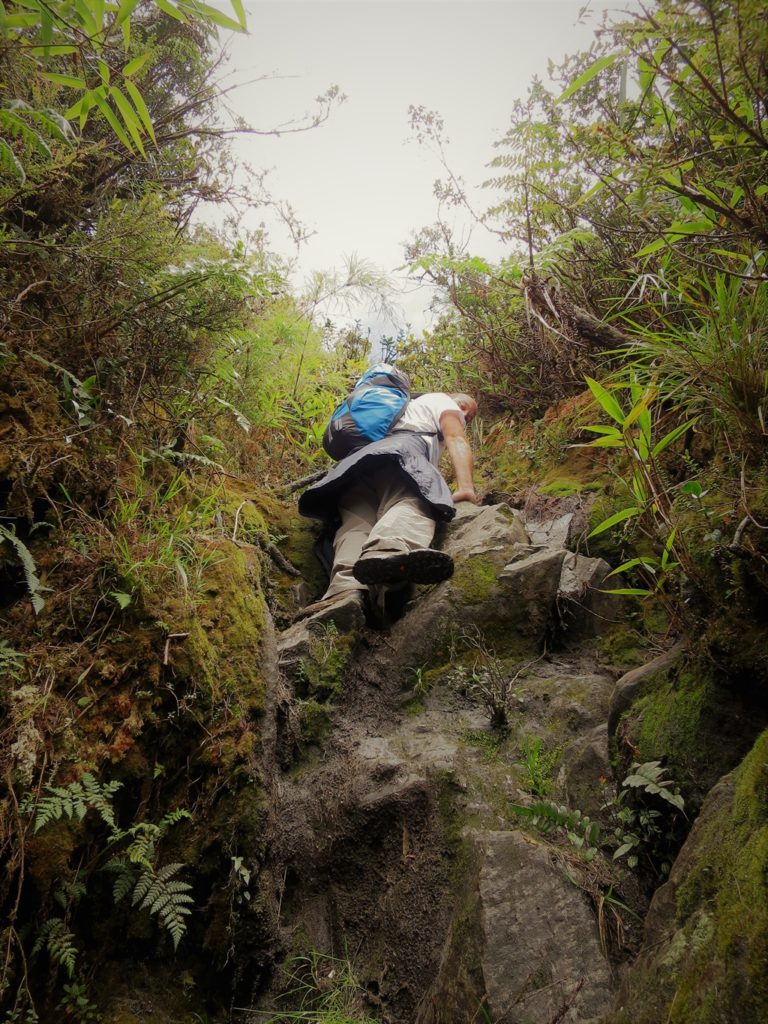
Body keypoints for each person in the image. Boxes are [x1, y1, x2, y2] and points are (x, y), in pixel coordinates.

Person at [296, 389, 479, 624]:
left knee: (355, 524)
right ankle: (388, 549)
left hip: (355, 466)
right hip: (401, 453)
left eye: (469, 416)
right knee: (412, 503)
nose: (466, 417)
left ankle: (345, 588)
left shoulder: (403, 408)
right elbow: (456, 438)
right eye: (467, 411)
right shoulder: (442, 403)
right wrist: (466, 487)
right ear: (459, 404)